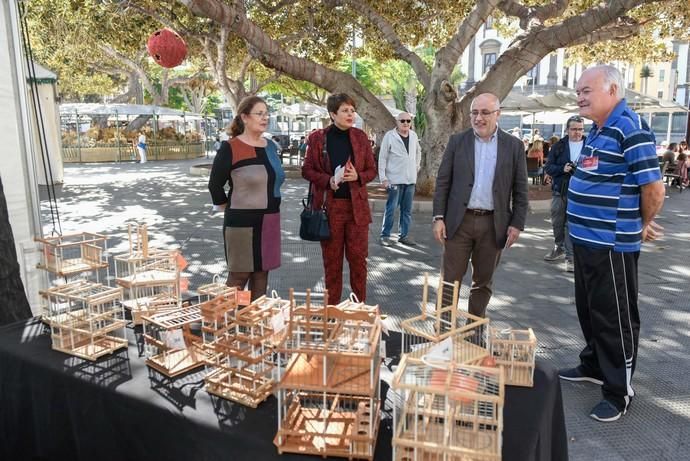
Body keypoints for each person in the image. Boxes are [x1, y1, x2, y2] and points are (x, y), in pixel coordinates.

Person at [559, 65, 665, 422]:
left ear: (613, 89)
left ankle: (619, 391)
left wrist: (643, 223)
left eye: (586, 90)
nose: (580, 97)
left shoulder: (630, 128)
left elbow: (653, 187)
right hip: (585, 240)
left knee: (614, 317)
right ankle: (593, 363)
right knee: (588, 309)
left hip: (611, 245)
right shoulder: (597, 128)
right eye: (578, 91)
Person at [432, 93, 528, 318]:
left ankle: (474, 332)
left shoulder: (513, 146)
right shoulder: (458, 142)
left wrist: (517, 224)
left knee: (483, 282)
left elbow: (521, 189)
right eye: (474, 112)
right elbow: (443, 181)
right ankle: (444, 333)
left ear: (498, 114)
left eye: (485, 113)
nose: (478, 118)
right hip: (459, 222)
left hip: (494, 224)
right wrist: (438, 217)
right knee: (449, 281)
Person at [208, 96, 285, 300]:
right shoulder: (231, 148)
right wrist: (230, 207)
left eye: (267, 113)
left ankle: (254, 325)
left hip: (269, 219)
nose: (265, 117)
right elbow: (215, 185)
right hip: (241, 222)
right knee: (238, 277)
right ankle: (224, 324)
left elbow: (274, 180)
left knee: (262, 274)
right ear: (244, 117)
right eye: (259, 113)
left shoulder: (269, 146)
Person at [302, 93, 377, 303]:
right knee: (332, 264)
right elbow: (307, 170)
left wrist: (358, 176)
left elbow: (372, 170)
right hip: (329, 209)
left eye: (352, 110)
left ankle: (359, 309)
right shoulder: (318, 138)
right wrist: (329, 181)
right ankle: (331, 310)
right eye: (345, 110)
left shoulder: (361, 137)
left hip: (357, 211)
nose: (350, 114)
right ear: (333, 114)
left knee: (358, 262)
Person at [543, 115, 585, 272]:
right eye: (574, 129)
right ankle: (559, 246)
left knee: (571, 223)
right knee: (557, 221)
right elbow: (548, 168)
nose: (577, 132)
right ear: (567, 130)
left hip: (580, 191)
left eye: (580, 129)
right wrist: (563, 168)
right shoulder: (559, 146)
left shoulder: (589, 144)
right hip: (559, 189)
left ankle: (570, 257)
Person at [378, 112, 421, 246]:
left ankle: (404, 235)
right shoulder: (389, 136)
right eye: (402, 121)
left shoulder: (413, 136)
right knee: (391, 208)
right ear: (397, 122)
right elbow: (382, 157)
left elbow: (418, 152)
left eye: (408, 121)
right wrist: (383, 178)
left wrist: (416, 167)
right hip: (394, 179)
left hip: (410, 180)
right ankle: (385, 235)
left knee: (406, 210)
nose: (406, 123)